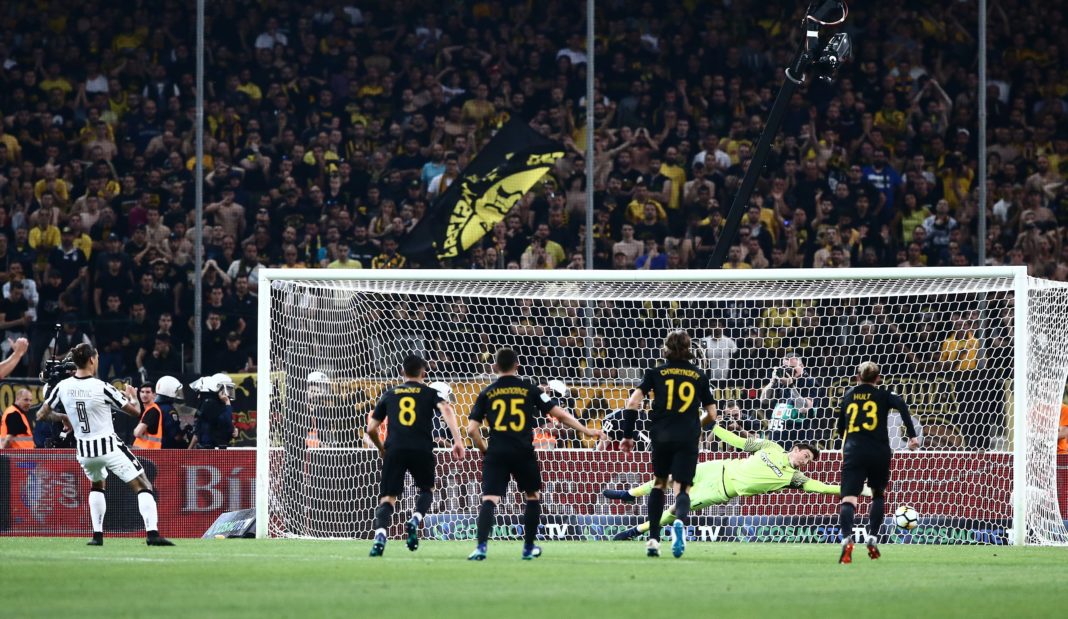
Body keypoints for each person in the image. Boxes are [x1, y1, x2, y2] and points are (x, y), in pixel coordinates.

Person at [606, 423, 867, 539]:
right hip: (717, 468)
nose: (805, 462)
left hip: (720, 491)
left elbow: (822, 488)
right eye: (806, 456)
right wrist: (714, 428)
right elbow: (741, 443)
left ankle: (635, 531)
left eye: (809, 461)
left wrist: (855, 490)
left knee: (674, 510)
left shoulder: (794, 477)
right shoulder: (771, 446)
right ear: (796, 449)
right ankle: (629, 494)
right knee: (671, 477)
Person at [465, 348, 602, 561]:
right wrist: (586, 430)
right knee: (532, 496)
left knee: (490, 499)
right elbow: (559, 414)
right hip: (523, 451)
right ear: (517, 366)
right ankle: (528, 547)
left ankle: (481, 547)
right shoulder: (530, 389)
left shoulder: (487, 392)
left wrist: (485, 450)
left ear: (495, 367)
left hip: (497, 451)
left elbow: (472, 430)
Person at [34, 343, 174, 546]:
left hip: (84, 451)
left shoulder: (62, 387)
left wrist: (63, 417)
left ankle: (97, 536)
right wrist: (133, 398)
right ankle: (152, 534)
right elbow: (135, 413)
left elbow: (41, 414)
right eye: (97, 357)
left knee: (97, 485)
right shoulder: (102, 387)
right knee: (144, 484)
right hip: (108, 446)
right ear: (92, 360)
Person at [620, 330, 717, 558]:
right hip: (688, 437)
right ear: (689, 349)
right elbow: (712, 414)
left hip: (662, 435)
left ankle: (653, 540)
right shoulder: (699, 375)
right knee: (683, 488)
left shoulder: (655, 372)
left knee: (660, 484)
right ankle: (679, 522)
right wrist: (695, 426)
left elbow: (633, 402)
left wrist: (628, 435)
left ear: (666, 348)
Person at [366, 355, 465, 557]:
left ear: (402, 372)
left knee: (388, 497)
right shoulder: (429, 393)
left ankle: (380, 536)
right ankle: (415, 519)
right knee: (427, 490)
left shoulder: (390, 394)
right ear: (424, 373)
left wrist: (381, 448)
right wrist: (457, 440)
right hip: (421, 448)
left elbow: (371, 428)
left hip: (395, 449)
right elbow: (446, 408)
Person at [836, 361, 919, 564]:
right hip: (879, 451)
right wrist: (912, 436)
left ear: (857, 377)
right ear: (878, 378)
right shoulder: (883, 395)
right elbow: (902, 405)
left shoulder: (848, 396)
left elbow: (840, 429)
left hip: (854, 451)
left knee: (849, 499)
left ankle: (847, 539)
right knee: (878, 495)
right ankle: (872, 537)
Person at [758, 352, 819, 449]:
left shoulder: (810, 381)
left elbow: (804, 408)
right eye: (786, 367)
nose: (789, 370)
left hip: (797, 440)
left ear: (802, 366)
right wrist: (772, 381)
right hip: (776, 436)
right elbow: (763, 400)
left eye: (792, 367)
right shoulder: (781, 380)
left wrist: (791, 386)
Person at [189, 373, 235, 449]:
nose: (228, 393)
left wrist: (188, 450)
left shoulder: (208, 404)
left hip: (208, 448)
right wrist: (227, 403)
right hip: (212, 449)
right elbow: (227, 425)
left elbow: (197, 432)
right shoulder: (212, 405)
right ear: (219, 389)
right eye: (227, 389)